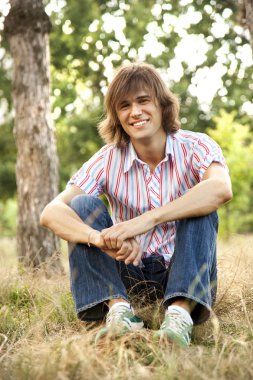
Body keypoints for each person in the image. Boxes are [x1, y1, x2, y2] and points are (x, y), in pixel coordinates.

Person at [40, 62, 232, 347]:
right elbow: (51, 212)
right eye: (125, 105)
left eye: (144, 101)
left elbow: (220, 188)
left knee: (200, 202)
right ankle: (119, 313)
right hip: (127, 272)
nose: (135, 112)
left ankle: (178, 316)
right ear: (117, 116)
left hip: (181, 271)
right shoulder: (107, 159)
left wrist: (147, 220)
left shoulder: (197, 146)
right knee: (81, 205)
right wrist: (99, 238)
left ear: (162, 105)